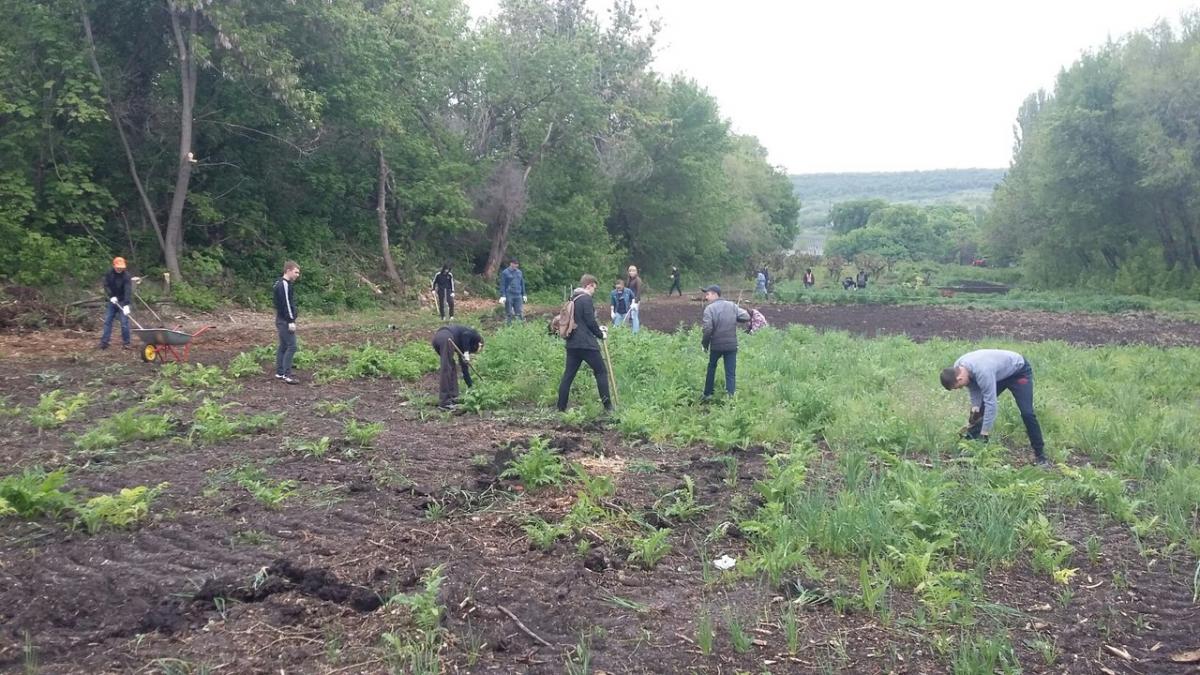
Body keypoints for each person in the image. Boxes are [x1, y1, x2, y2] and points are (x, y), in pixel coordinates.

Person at [940, 349, 1047, 465]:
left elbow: (991, 403)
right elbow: (973, 386)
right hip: (997, 374)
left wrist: (985, 432)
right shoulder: (959, 367)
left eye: (958, 387)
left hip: (1018, 371)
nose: (960, 388)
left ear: (959, 379)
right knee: (979, 410)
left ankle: (1040, 455)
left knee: (1027, 413)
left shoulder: (982, 372)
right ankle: (970, 448)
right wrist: (975, 409)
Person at [556, 275, 612, 413]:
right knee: (601, 372)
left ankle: (561, 407)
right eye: (594, 288)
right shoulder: (586, 299)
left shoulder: (573, 298)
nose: (594, 291)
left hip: (572, 343)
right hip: (586, 344)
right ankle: (608, 407)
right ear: (589, 285)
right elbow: (590, 321)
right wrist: (600, 334)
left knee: (568, 375)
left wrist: (598, 330)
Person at [699, 285, 750, 400]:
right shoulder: (732, 306)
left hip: (716, 345)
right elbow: (746, 316)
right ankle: (731, 397)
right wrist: (735, 318)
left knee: (712, 367)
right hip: (731, 345)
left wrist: (705, 344)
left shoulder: (709, 309)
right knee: (730, 372)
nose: (706, 297)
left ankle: (707, 394)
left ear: (714, 294)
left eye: (707, 294)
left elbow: (707, 329)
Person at [430, 324, 483, 409]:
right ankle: (445, 402)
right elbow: (466, 335)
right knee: (446, 368)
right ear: (478, 345)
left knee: (451, 366)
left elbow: (464, 369)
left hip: (440, 338)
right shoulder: (476, 336)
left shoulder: (462, 344)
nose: (471, 353)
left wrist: (471, 386)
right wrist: (466, 352)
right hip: (446, 337)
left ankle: (453, 396)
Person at [273, 260, 301, 384]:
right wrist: (291, 320)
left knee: (283, 346)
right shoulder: (283, 284)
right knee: (292, 346)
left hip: (281, 319)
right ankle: (287, 374)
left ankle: (280, 372)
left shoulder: (281, 283)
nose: (297, 275)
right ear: (288, 270)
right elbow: (286, 304)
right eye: (296, 272)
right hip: (284, 320)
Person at [99, 257, 134, 350]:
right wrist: (111, 296)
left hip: (122, 301)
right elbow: (106, 285)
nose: (120, 269)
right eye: (118, 267)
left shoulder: (126, 276)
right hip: (112, 301)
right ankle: (104, 342)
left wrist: (126, 304)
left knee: (124, 323)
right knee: (107, 321)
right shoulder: (109, 274)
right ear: (114, 266)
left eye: (121, 267)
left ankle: (126, 343)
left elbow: (128, 289)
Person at [498, 259, 527, 325]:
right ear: (511, 264)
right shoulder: (505, 272)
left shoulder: (519, 272)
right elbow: (502, 284)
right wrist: (503, 295)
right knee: (509, 312)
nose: (515, 265)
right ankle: (508, 326)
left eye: (516, 264)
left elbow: (522, 283)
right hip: (509, 294)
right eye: (514, 264)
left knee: (519, 312)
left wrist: (524, 294)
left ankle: (520, 326)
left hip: (518, 294)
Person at [625, 265, 642, 333]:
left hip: (635, 300)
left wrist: (636, 302)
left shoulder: (638, 280)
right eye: (630, 271)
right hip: (629, 300)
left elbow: (639, 291)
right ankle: (631, 330)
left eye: (633, 271)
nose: (631, 272)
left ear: (636, 272)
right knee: (630, 316)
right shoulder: (629, 279)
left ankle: (635, 332)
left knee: (634, 315)